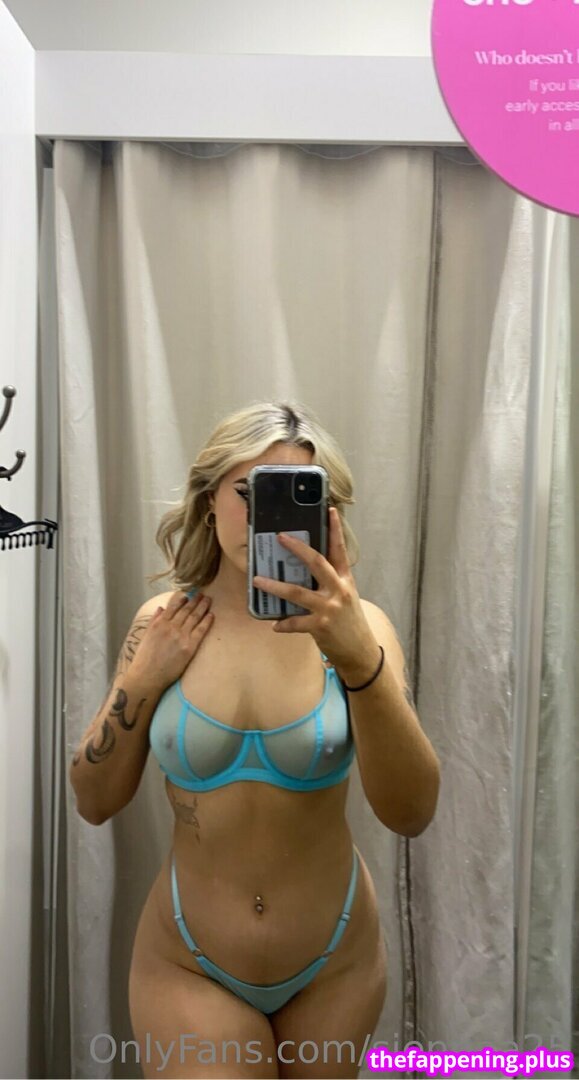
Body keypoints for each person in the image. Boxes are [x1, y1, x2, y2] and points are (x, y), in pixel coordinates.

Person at [70, 401, 440, 1080]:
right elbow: (92, 800)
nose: (264, 517)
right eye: (248, 492)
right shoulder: (163, 622)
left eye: (293, 497)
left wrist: (358, 658)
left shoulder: (361, 630)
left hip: (335, 964)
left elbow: (412, 811)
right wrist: (145, 678)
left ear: (326, 514)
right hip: (188, 963)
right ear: (207, 498)